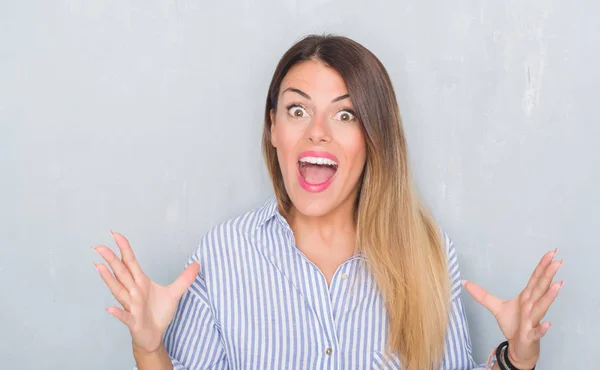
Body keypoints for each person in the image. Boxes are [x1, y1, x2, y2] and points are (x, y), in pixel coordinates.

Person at [93, 34, 563, 370]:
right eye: (298, 110)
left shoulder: (428, 252)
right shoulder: (223, 254)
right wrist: (149, 349)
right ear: (274, 128)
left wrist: (515, 359)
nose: (317, 130)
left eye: (345, 114)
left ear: (373, 138)